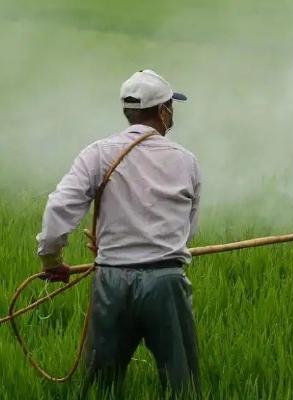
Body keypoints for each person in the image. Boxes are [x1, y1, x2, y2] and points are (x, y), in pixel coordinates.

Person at [35, 69, 202, 398]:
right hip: (166, 281)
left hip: (112, 281)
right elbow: (187, 230)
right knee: (181, 386)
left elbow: (59, 208)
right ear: (163, 111)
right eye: (171, 106)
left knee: (102, 387)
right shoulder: (186, 162)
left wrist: (51, 260)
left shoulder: (98, 153)